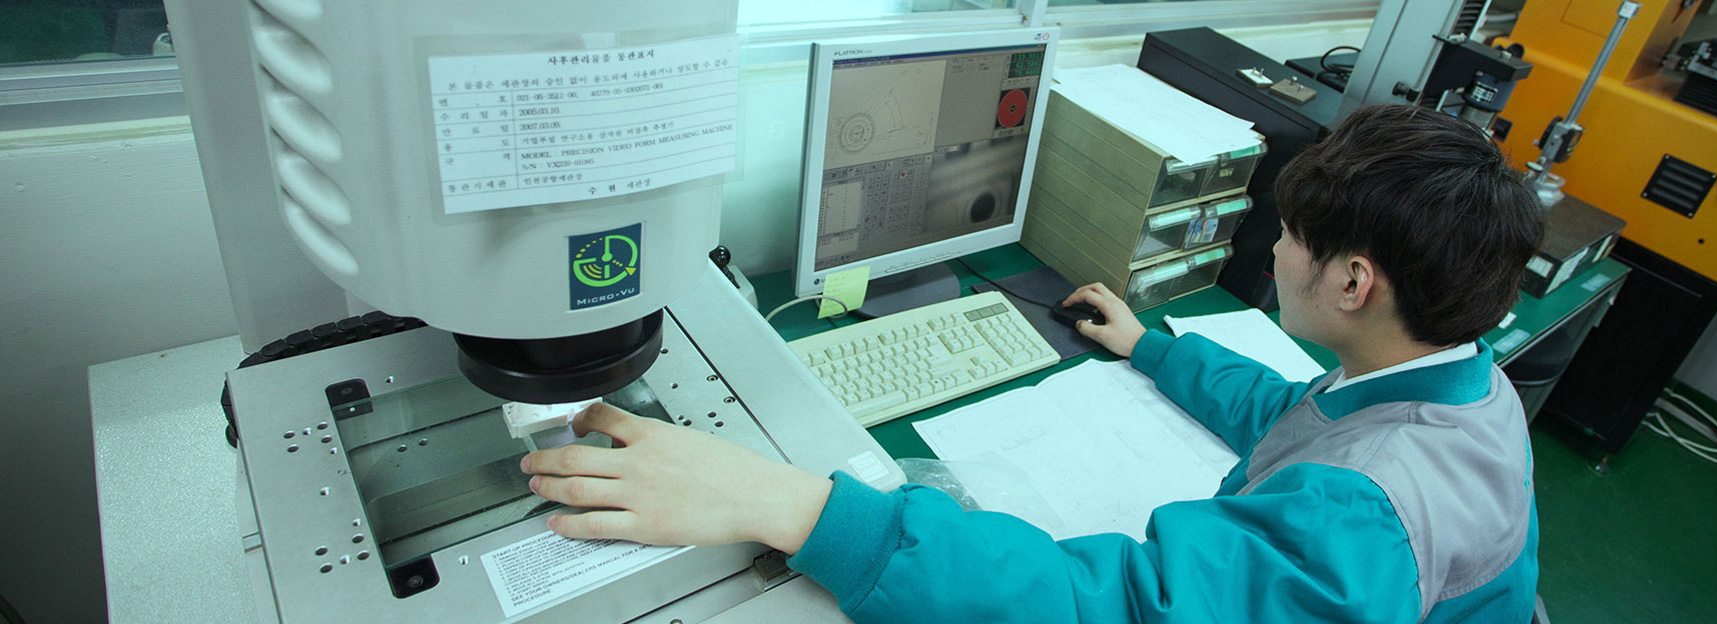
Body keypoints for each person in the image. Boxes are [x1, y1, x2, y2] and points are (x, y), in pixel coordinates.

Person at [519, 103, 1545, 623]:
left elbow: (1111, 609)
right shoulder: (1458, 382)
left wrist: (794, 507)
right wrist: (1153, 349)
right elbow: (1295, 415)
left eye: (1288, 236)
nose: (1273, 251)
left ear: (1355, 283)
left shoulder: (1362, 517)